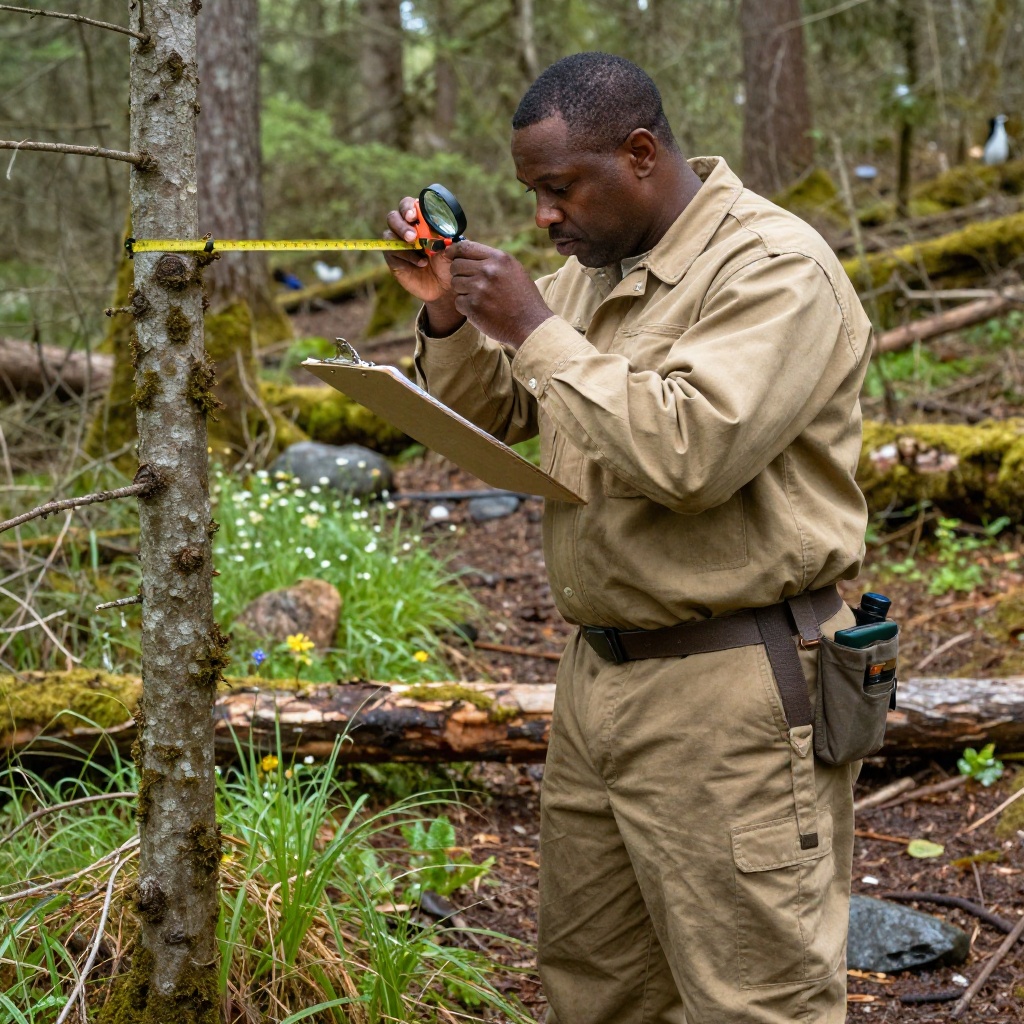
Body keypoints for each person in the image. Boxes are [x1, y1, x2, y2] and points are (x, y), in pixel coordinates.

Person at [384, 52, 872, 1024]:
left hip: (733, 685)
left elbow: (693, 452)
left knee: (754, 997)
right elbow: (503, 414)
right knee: (598, 986)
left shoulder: (773, 266)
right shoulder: (589, 276)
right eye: (532, 193)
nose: (543, 217)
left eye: (559, 188)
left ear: (640, 153)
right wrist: (446, 312)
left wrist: (534, 326)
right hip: (598, 678)